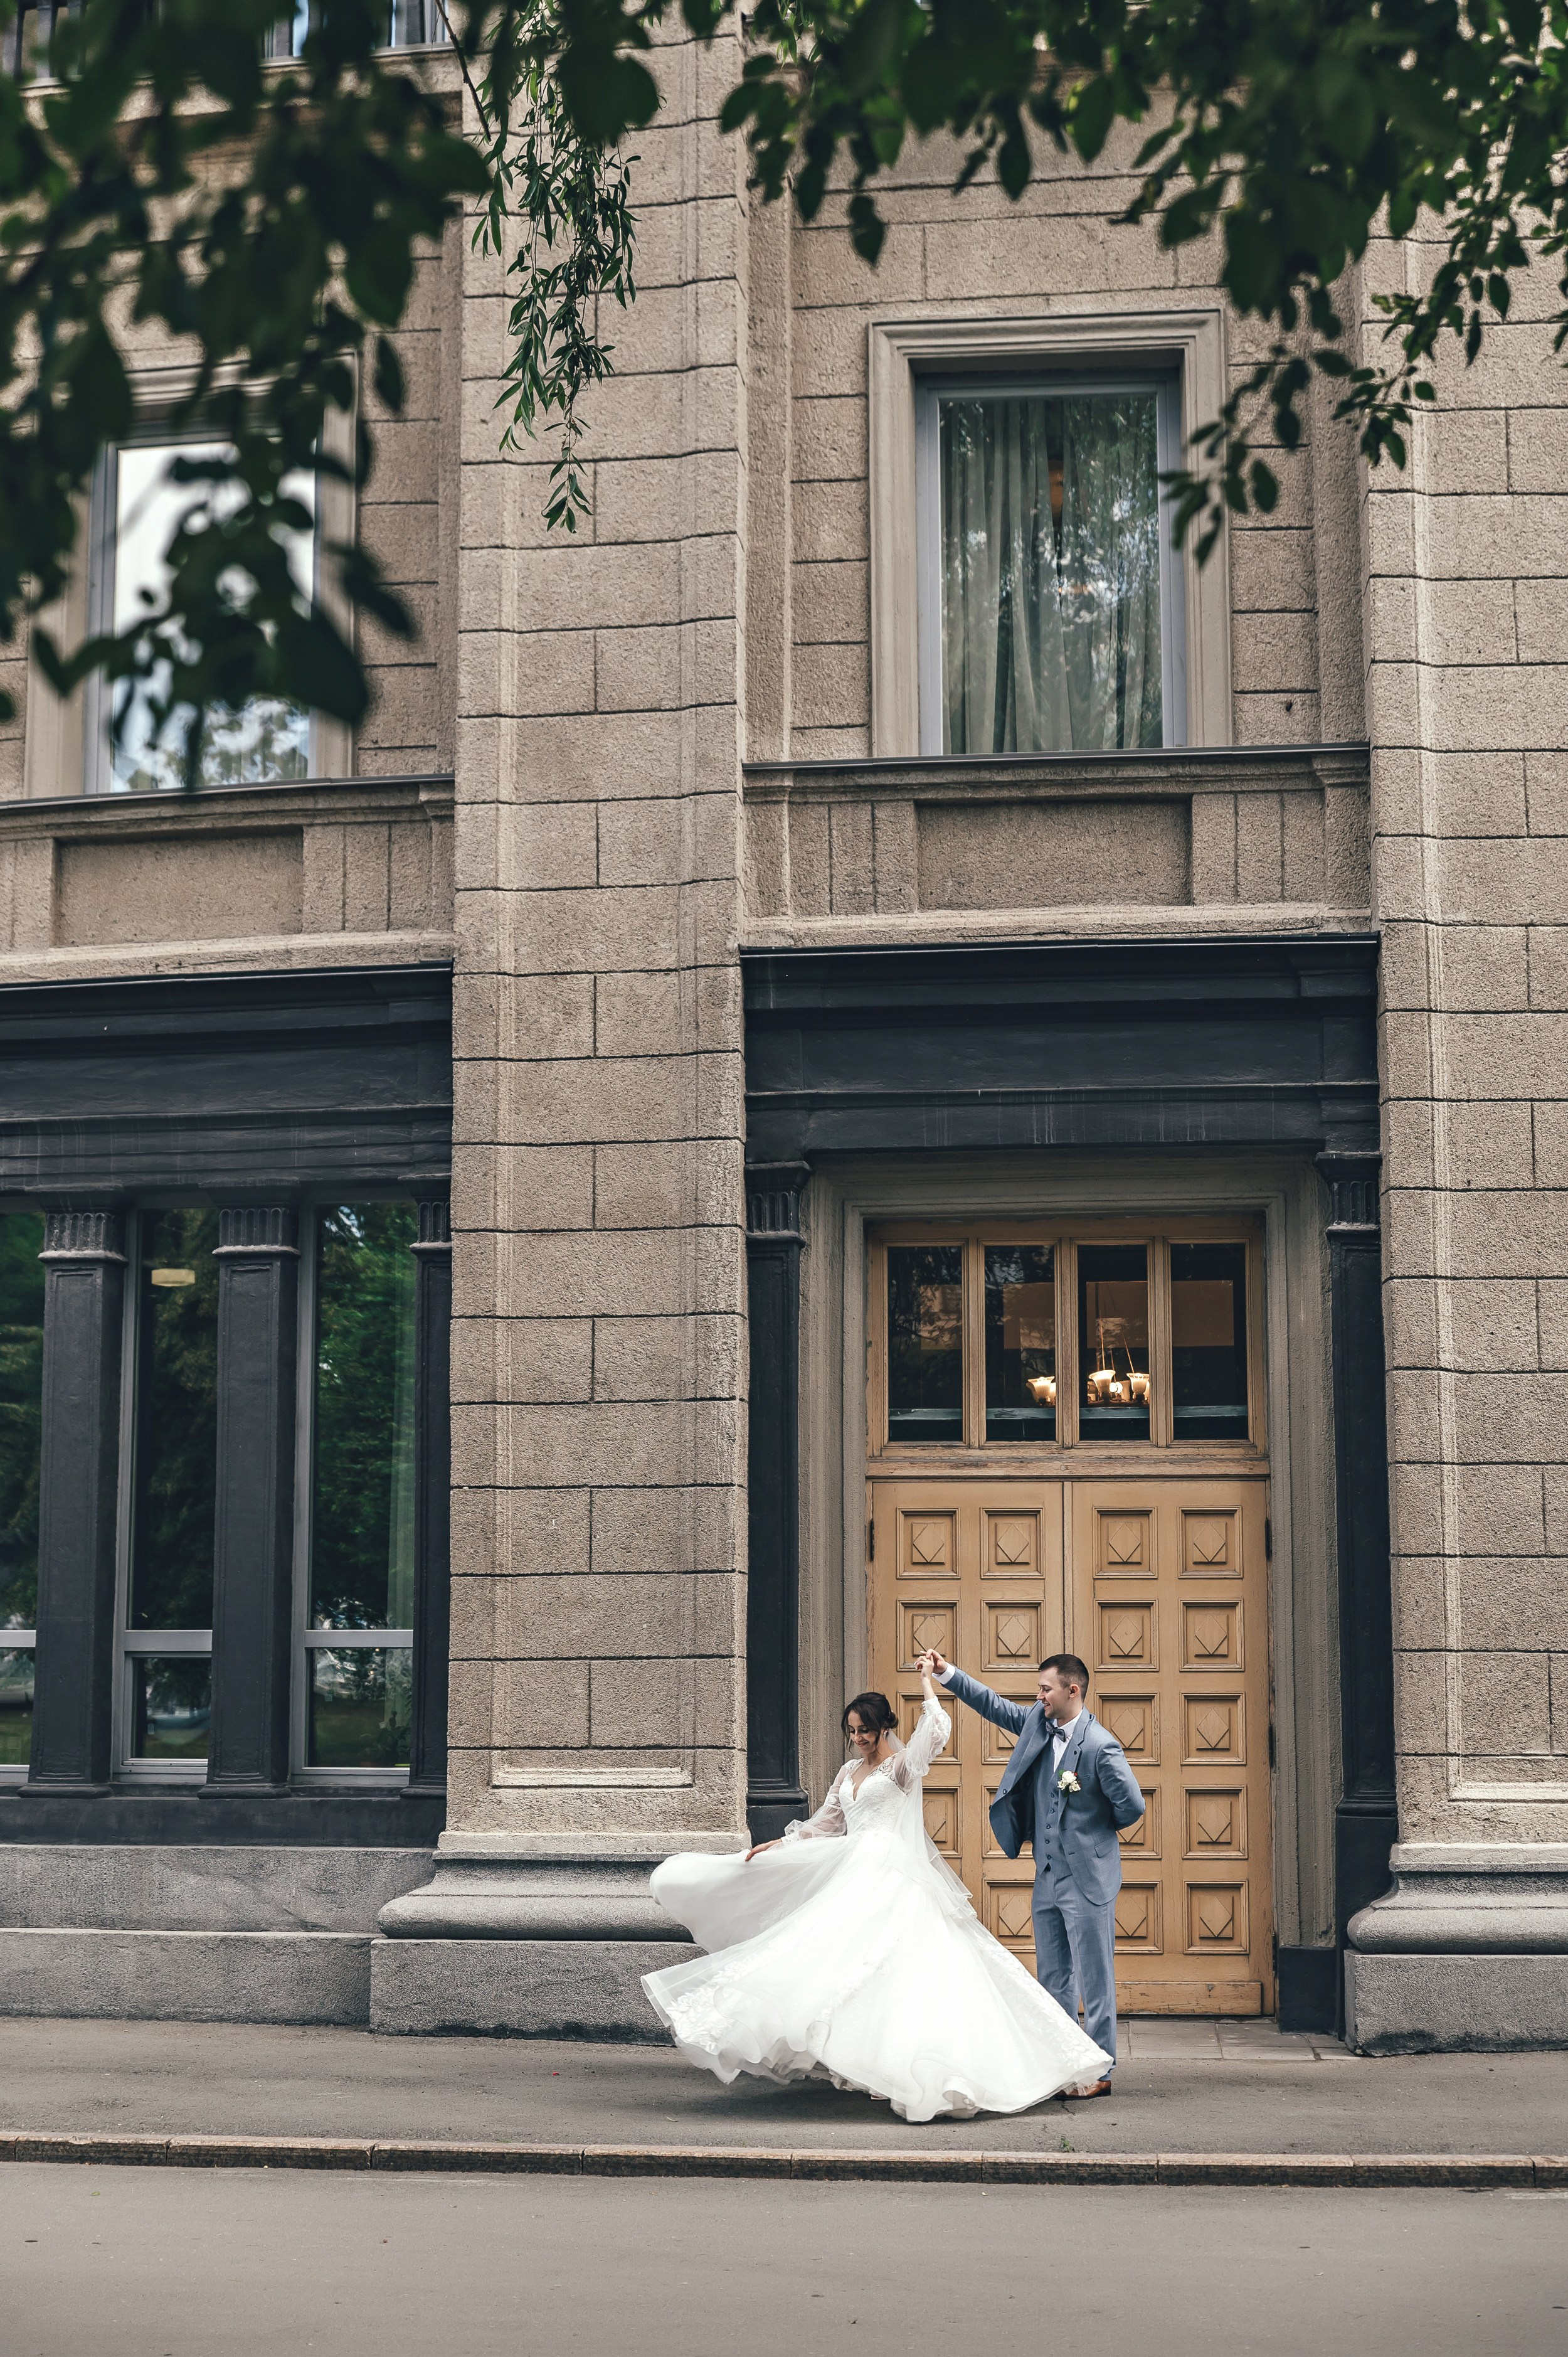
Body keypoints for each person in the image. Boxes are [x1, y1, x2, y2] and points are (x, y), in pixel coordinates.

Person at [642, 1664, 1111, 2123]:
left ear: (885, 1725)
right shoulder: (848, 1771)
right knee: (838, 1965)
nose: (859, 1738)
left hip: (894, 1874)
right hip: (851, 1871)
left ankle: (960, 2065)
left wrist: (930, 1681)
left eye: (866, 1729)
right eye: (852, 1731)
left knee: (898, 1971)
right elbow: (826, 1823)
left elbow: (938, 1726)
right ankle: (866, 2063)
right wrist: (778, 1844)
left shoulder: (903, 1767)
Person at [918, 1646, 1143, 2098]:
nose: (1038, 1696)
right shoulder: (1038, 1726)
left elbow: (1131, 1806)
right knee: (1054, 1974)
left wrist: (1091, 1838)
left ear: (1071, 1690)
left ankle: (1100, 2068)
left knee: (1094, 1975)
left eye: (1046, 1689)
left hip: (1088, 1878)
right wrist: (947, 1673)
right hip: (1047, 1875)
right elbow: (993, 1704)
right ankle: (1062, 2059)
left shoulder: (1101, 1746)